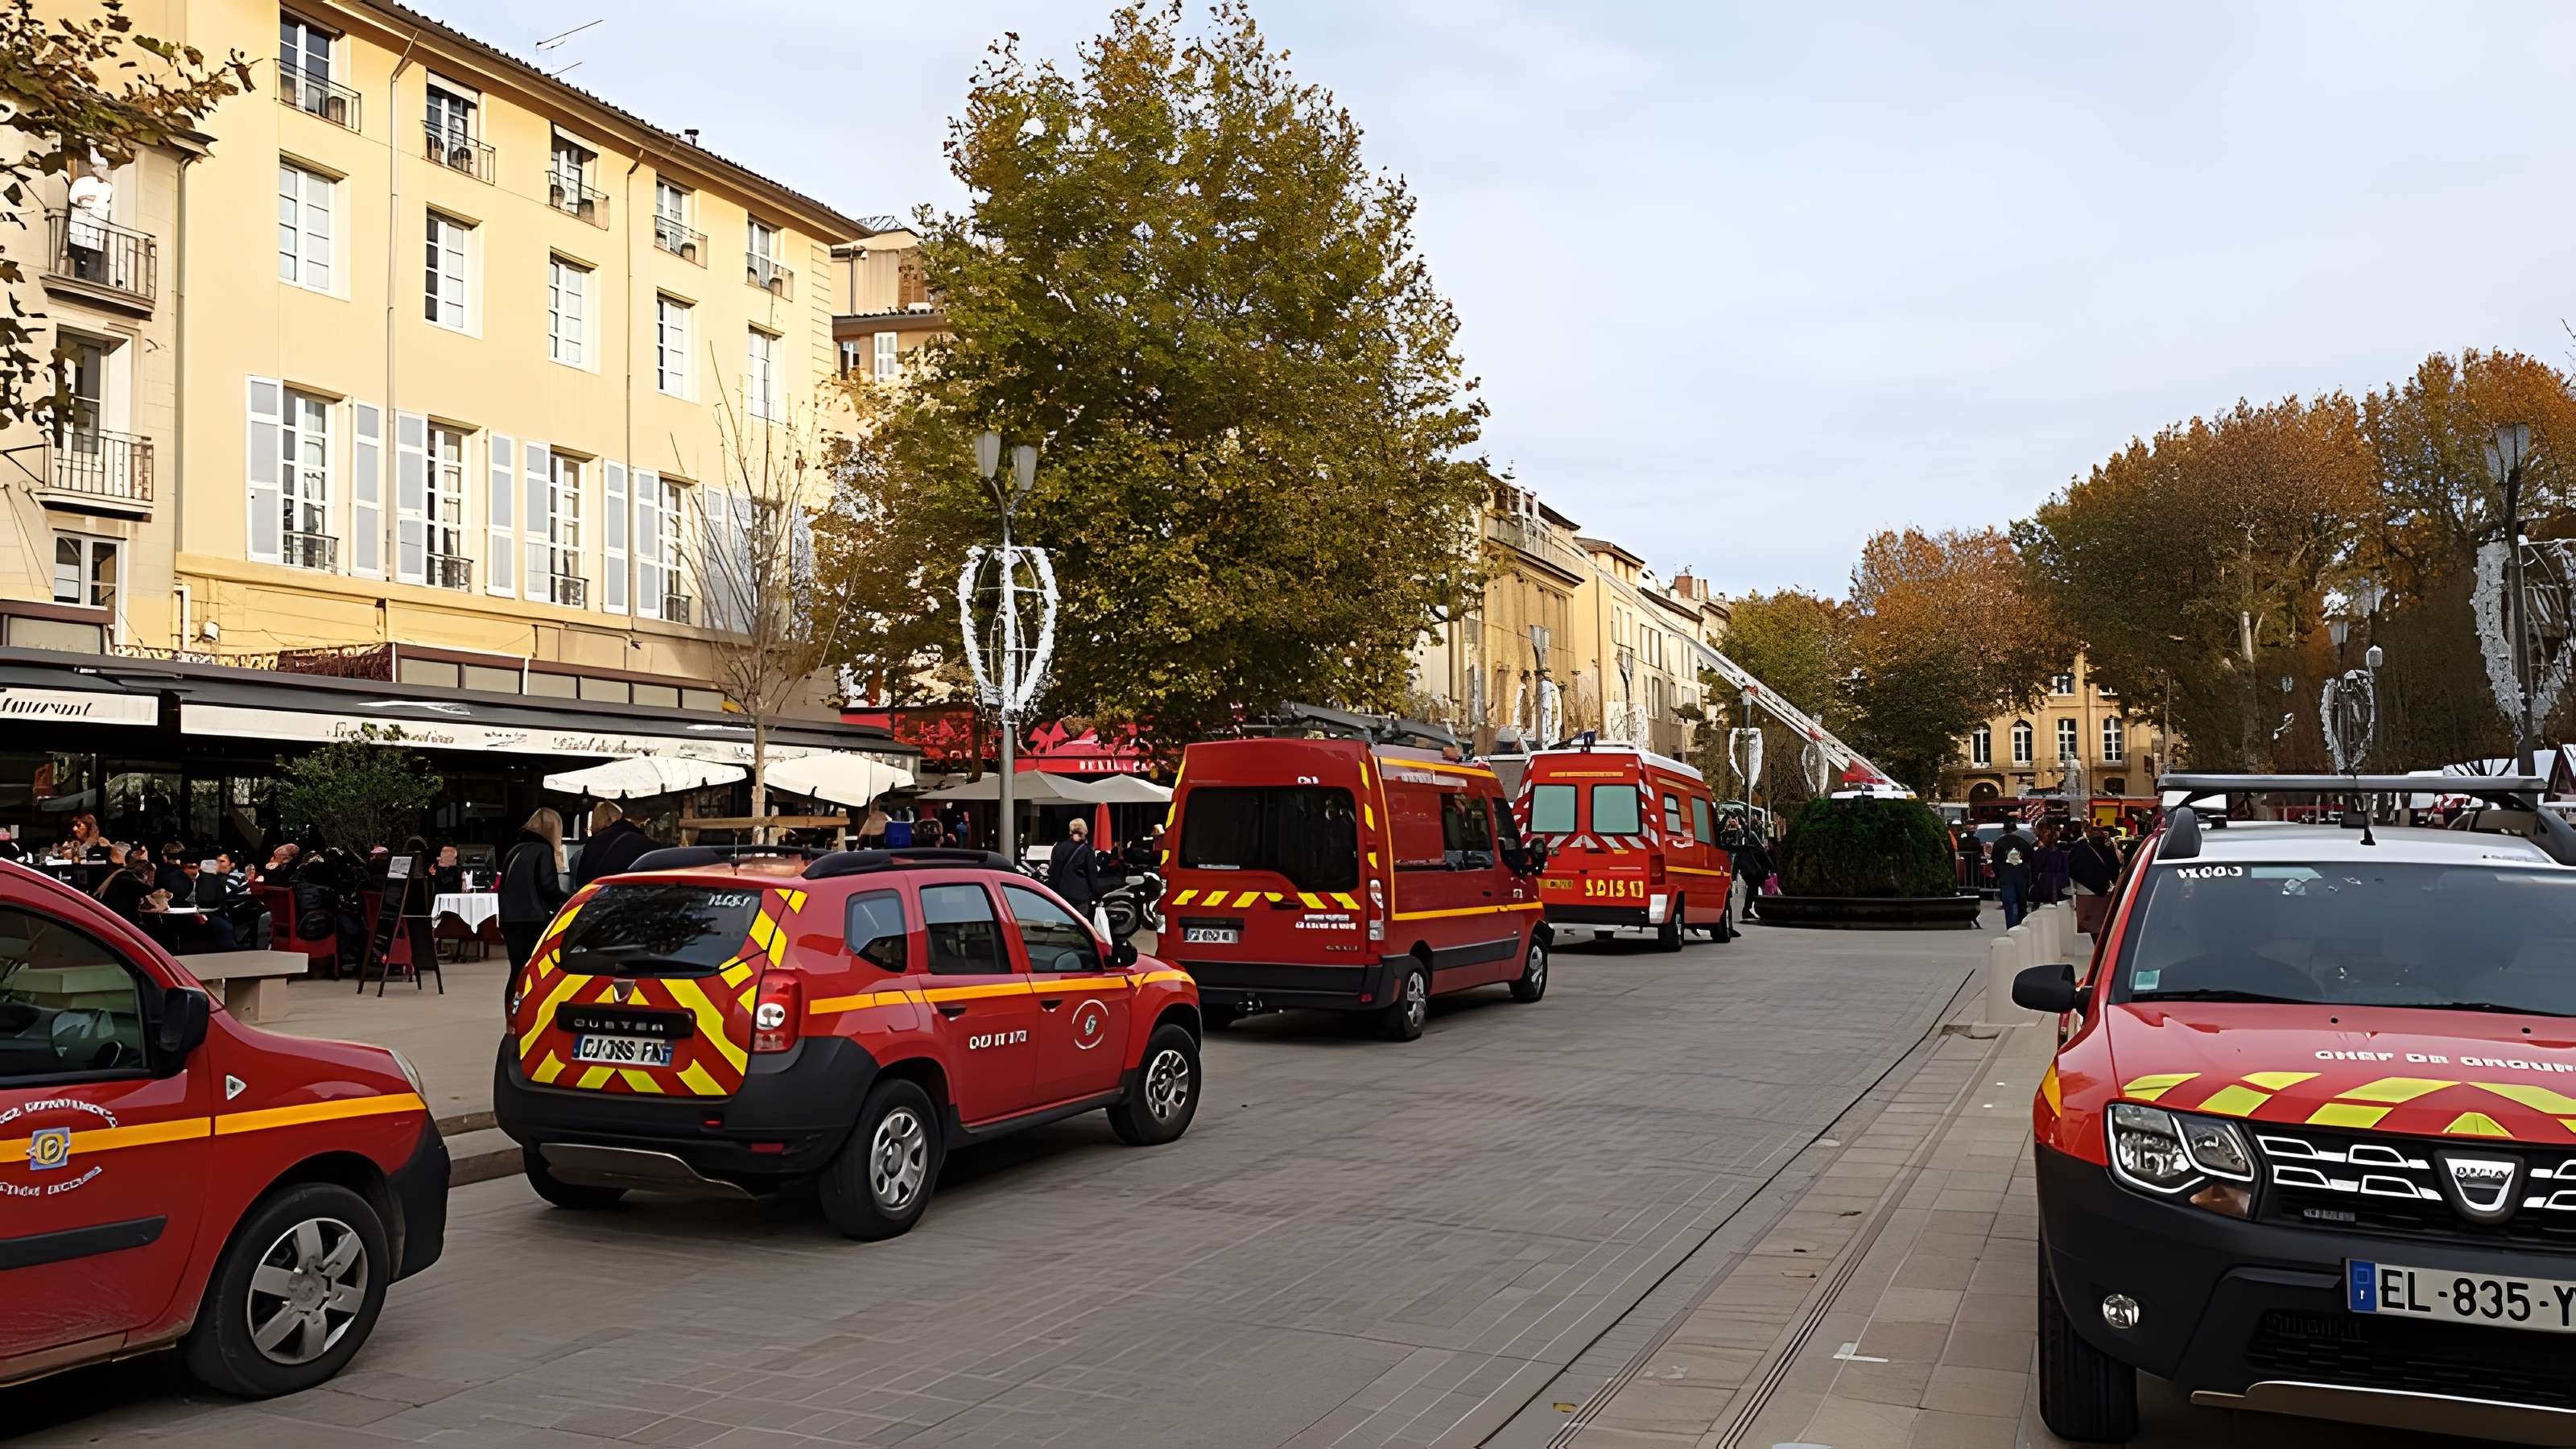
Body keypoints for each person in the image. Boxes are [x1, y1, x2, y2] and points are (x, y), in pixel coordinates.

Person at [499, 807, 569, 978]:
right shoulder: (543, 850)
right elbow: (548, 887)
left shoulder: (514, 850)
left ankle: (512, 997)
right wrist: (568, 900)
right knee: (533, 972)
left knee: (517, 971)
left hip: (509, 920)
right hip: (533, 920)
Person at [573, 802, 657, 887]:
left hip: (597, 892)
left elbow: (581, 881)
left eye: (594, 818)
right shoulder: (646, 843)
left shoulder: (595, 841)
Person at [2069, 824, 2120, 937]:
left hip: (2085, 891)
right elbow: (2115, 866)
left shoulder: (2080, 847)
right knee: (2104, 924)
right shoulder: (2108, 846)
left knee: (2090, 926)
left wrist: (2075, 888)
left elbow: (2072, 868)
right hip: (2104, 890)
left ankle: (2095, 943)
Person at [1047, 817, 1105, 917]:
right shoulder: (1087, 851)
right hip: (1080, 897)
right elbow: (1092, 877)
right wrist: (1097, 895)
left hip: (1061, 896)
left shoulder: (1058, 848)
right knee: (1079, 923)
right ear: (1085, 831)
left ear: (1070, 831)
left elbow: (1053, 873)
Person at [1991, 819, 2037, 929]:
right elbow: (2030, 859)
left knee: (2010, 903)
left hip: (2006, 876)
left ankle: (2012, 928)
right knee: (2021, 902)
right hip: (2021, 875)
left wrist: (1998, 875)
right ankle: (2021, 926)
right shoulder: (2023, 842)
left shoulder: (1999, 843)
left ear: (2004, 830)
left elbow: (1995, 862)